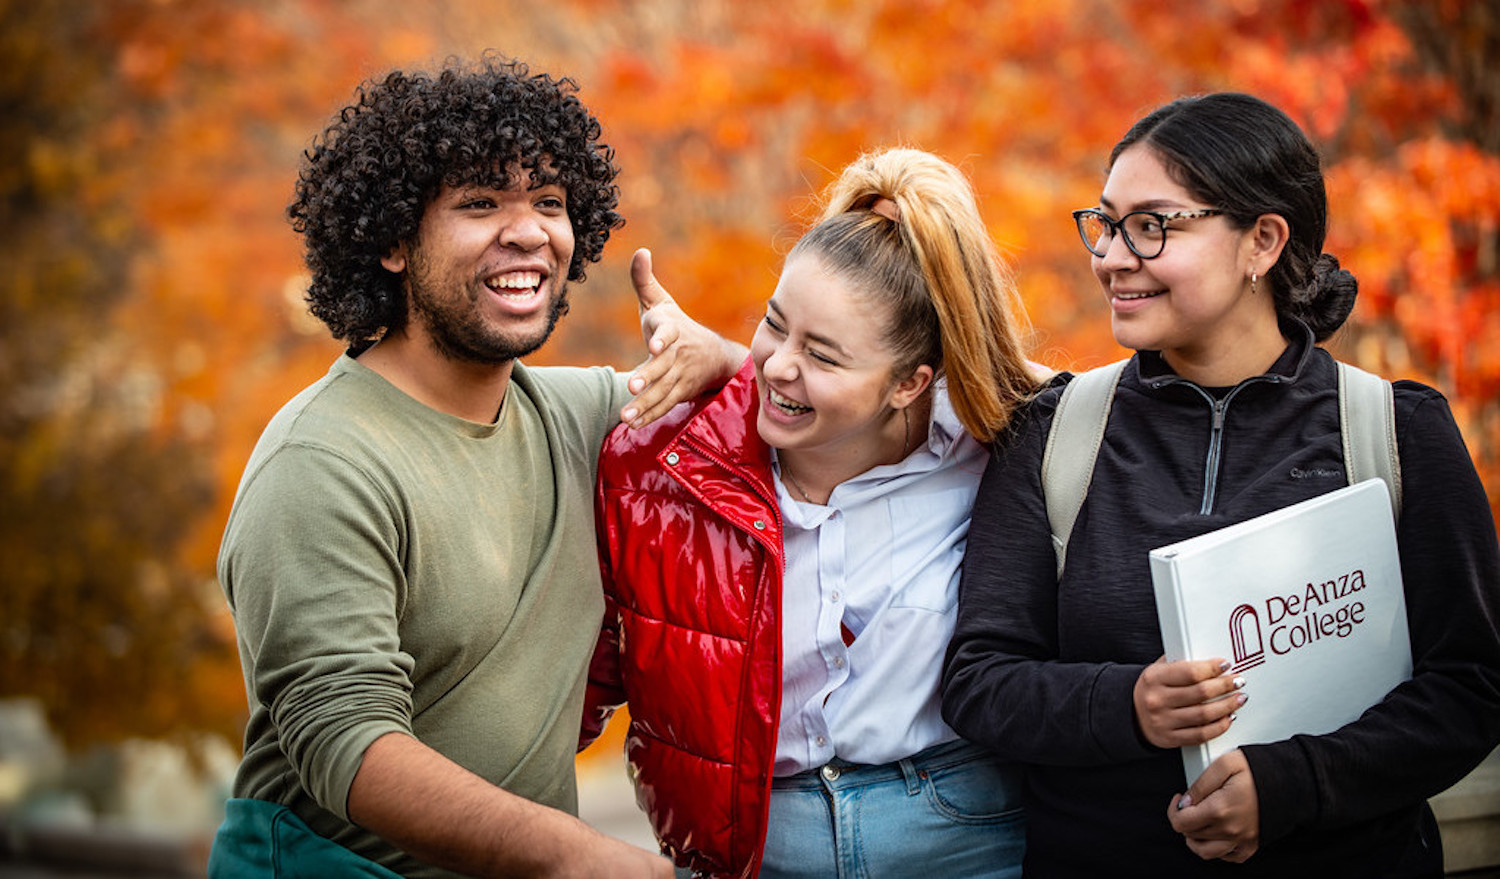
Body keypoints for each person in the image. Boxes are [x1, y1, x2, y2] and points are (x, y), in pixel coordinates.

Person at [208, 56, 744, 879]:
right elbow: (347, 744)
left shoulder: (585, 415)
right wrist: (575, 855)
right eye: (481, 202)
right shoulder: (320, 462)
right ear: (391, 239)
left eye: (551, 203)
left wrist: (723, 358)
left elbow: (806, 410)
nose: (528, 230)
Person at [941, 91, 1500, 877]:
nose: (1110, 257)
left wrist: (1296, 785)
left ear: (1262, 241)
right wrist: (1129, 704)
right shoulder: (1054, 432)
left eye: (1153, 226)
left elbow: (1471, 685)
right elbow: (980, 680)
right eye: (1105, 223)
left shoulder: (1396, 431)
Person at [582, 148, 1048, 878]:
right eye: (775, 325)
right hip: (758, 846)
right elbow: (575, 684)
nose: (778, 366)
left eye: (823, 356)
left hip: (963, 834)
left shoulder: (993, 449)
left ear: (909, 384)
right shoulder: (663, 474)